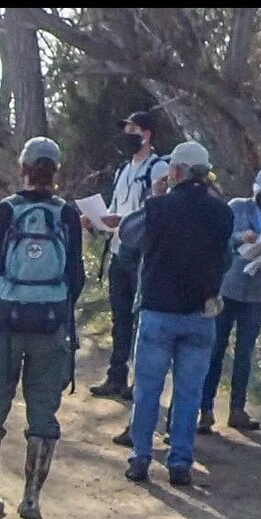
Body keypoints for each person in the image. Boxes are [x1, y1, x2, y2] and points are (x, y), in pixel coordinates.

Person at [0, 136, 87, 519]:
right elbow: (77, 276)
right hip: (50, 324)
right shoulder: (66, 215)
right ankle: (31, 499)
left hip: (5, 320)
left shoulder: (3, 212)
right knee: (43, 413)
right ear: (56, 171)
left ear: (23, 168)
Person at [127, 142, 234, 489]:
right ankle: (181, 461)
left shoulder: (159, 208)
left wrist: (153, 196)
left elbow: (129, 235)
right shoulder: (223, 213)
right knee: (189, 392)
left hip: (159, 309)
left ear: (175, 172)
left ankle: (141, 456)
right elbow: (227, 258)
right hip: (201, 312)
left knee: (148, 389)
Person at [90, 110, 167, 399]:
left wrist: (119, 220)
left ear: (146, 135)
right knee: (119, 318)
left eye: (133, 129)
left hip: (142, 254)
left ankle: (140, 380)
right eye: (126, 129)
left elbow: (156, 213)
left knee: (139, 321)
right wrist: (96, 221)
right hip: (118, 251)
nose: (127, 135)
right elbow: (112, 208)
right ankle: (116, 376)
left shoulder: (157, 168)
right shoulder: (123, 169)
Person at [201, 163, 261, 435]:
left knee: (245, 353)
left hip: (257, 291)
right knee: (215, 349)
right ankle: (205, 409)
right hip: (229, 286)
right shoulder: (237, 207)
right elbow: (220, 235)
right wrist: (240, 237)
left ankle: (237, 408)